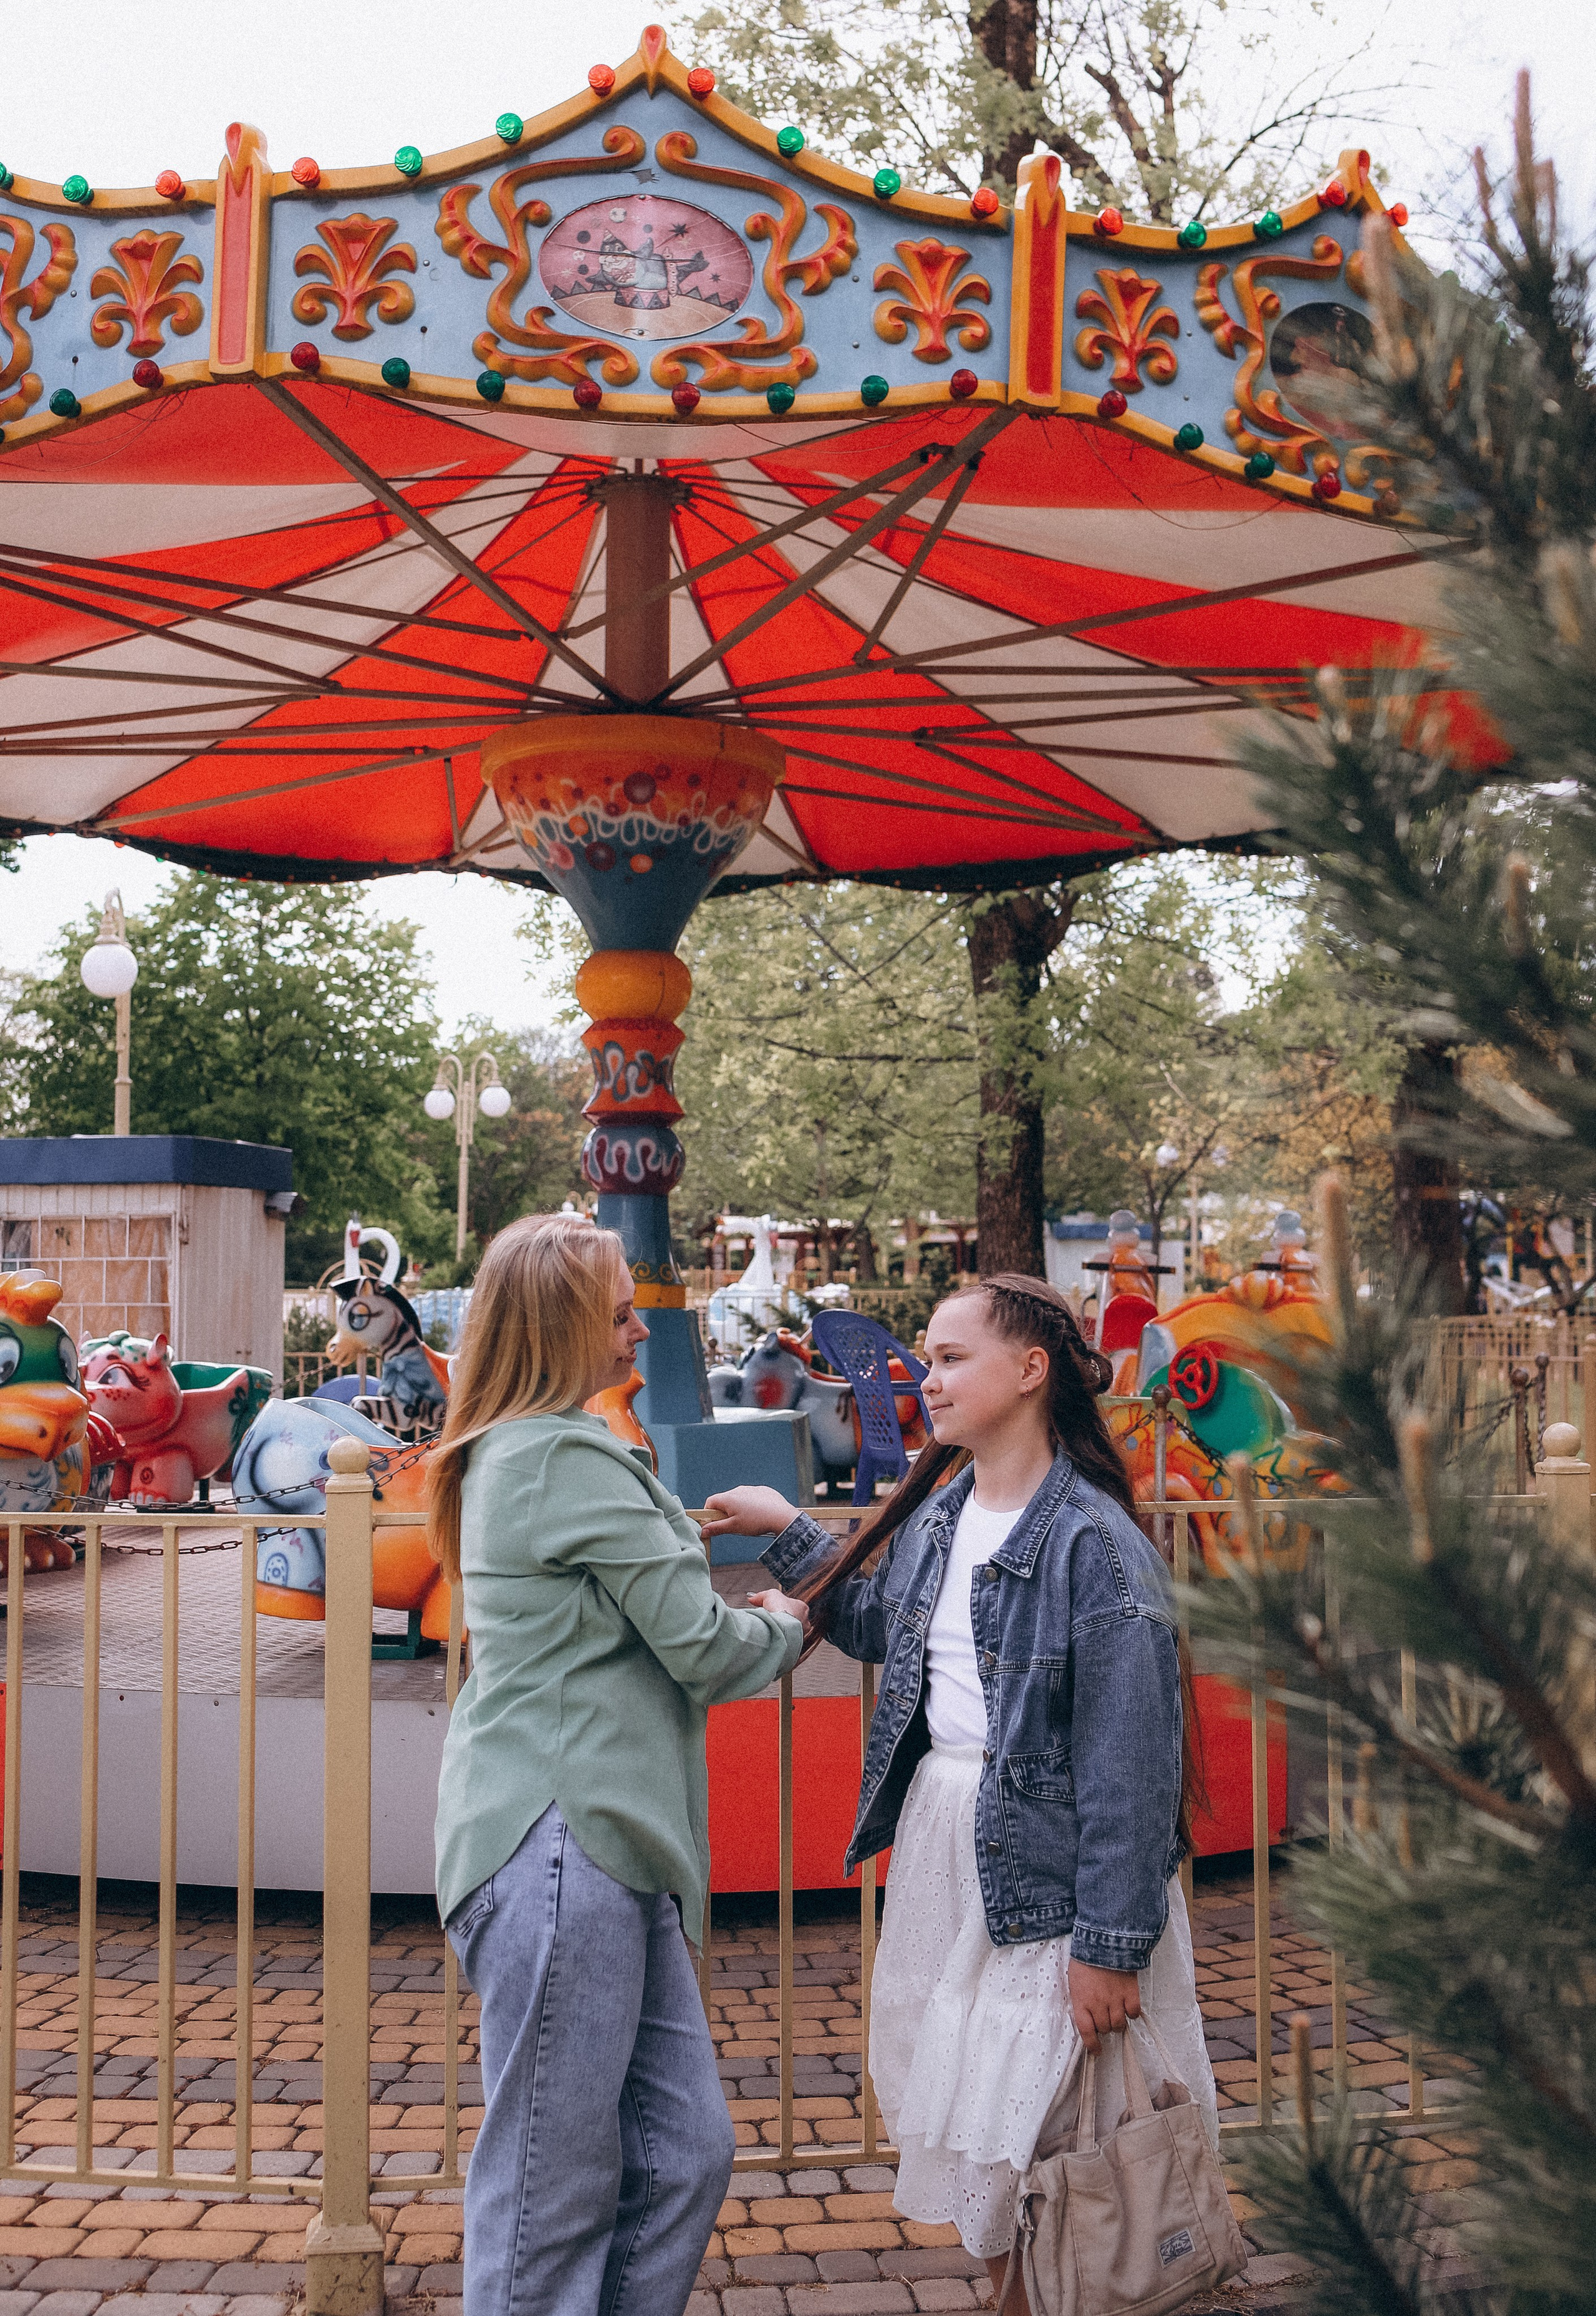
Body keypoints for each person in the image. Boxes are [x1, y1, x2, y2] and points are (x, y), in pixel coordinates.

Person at [703, 1275, 1216, 2315]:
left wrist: (1110, 1942)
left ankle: (1052, 2294)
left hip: (1045, 1867)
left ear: (1031, 1371)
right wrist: (791, 1533)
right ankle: (1014, 2296)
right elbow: (895, 1631)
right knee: (975, 2118)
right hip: (949, 1850)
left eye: (949, 1357)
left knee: (1040, 2125)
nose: (924, 1378)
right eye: (928, 1357)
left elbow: (1132, 1762)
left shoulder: (1094, 1545)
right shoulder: (946, 1513)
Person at [427, 1214, 805, 2316]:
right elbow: (701, 1644)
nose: (642, 1329)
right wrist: (787, 1619)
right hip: (565, 1842)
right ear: (562, 1328)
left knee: (686, 2152)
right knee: (550, 2190)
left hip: (602, 1845)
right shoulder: (560, 1452)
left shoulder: (535, 1450)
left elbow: (626, 1602)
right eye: (621, 1313)